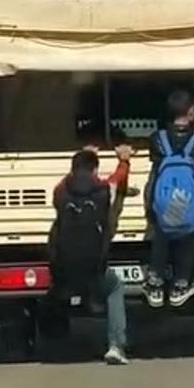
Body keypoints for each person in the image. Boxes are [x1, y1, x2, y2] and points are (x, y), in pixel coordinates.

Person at [47, 145, 133, 365]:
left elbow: (65, 182)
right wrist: (124, 160)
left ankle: (53, 339)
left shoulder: (60, 192)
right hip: (93, 267)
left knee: (53, 290)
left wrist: (83, 153)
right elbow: (118, 178)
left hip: (63, 267)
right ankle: (116, 345)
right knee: (114, 288)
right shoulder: (104, 191)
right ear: (95, 170)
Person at [143, 90, 194, 308]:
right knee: (189, 235)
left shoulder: (157, 139)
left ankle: (155, 282)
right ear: (191, 111)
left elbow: (155, 166)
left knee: (162, 233)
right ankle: (181, 283)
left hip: (162, 199)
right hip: (193, 199)